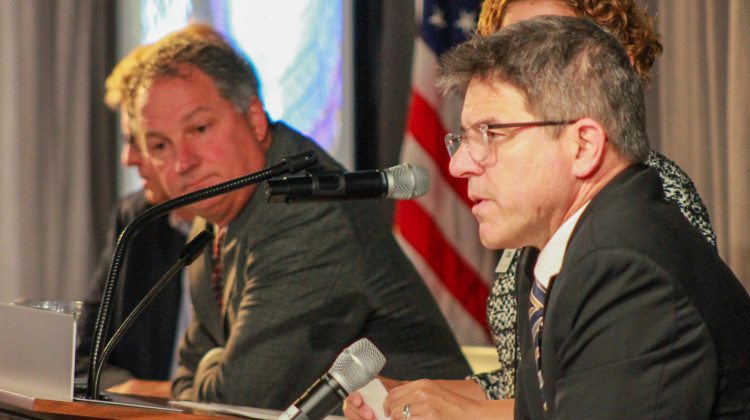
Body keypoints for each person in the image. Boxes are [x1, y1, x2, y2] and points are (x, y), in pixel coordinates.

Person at [344, 1, 719, 418]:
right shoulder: (550, 243)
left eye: (492, 131)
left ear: (583, 145)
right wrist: (417, 397)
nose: (457, 164)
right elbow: (538, 393)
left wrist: (462, 415)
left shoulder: (627, 264)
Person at [123, 25, 471, 409]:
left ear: (255, 119)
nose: (181, 163)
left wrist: (205, 370)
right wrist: (206, 371)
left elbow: (239, 400)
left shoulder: (307, 210)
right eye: (159, 145)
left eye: (200, 129)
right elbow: (189, 372)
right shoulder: (215, 205)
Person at [469, 0, 717, 403]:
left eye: (541, 47)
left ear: (617, 64)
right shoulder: (541, 220)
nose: (464, 163)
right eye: (507, 48)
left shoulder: (641, 221)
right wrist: (422, 397)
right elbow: (531, 378)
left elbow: (628, 379)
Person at [75, 41, 194, 397]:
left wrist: (166, 394)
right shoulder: (135, 219)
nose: (128, 158)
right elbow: (82, 353)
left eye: (147, 141)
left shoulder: (246, 225)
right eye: (130, 139)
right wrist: (139, 391)